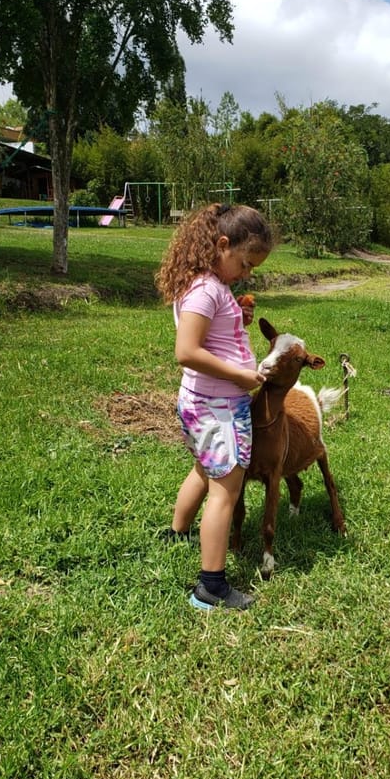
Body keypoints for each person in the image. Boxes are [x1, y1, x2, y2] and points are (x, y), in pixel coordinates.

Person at [155, 203, 274, 611]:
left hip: (206, 403)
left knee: (204, 472)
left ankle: (176, 533)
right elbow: (186, 351)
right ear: (222, 245)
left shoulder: (210, 286)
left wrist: (237, 315)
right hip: (217, 406)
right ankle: (211, 586)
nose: (247, 273)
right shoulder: (206, 289)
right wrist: (241, 377)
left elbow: (214, 337)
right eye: (244, 262)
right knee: (226, 489)